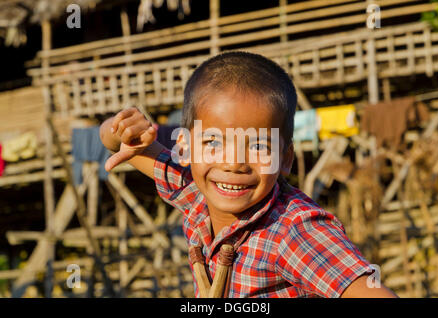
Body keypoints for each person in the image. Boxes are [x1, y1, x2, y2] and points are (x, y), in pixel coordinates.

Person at [99, 51, 397, 298]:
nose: (234, 163)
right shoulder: (195, 195)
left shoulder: (293, 231)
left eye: (257, 145)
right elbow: (119, 143)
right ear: (185, 149)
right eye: (213, 142)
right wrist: (120, 128)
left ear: (285, 158)